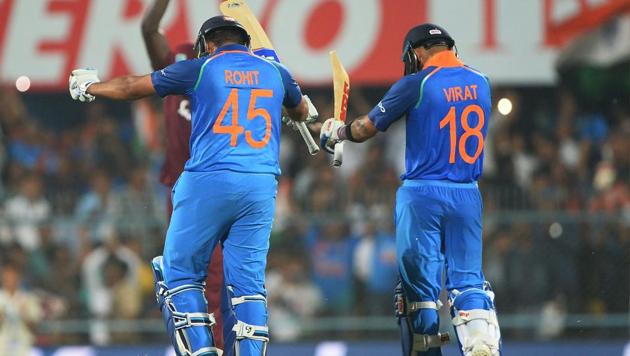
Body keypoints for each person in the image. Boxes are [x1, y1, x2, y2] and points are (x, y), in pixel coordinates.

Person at [69, 15, 316, 356]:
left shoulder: (203, 66)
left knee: (178, 274)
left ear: (207, 44)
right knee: (248, 287)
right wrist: (305, 112)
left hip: (209, 180)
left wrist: (90, 86)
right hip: (260, 186)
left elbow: (131, 87)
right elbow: (302, 111)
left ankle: (201, 352)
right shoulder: (276, 72)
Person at [320, 24, 502, 356]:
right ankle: (479, 340)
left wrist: (337, 132)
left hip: (423, 195)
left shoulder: (416, 83)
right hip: (468, 193)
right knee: (468, 283)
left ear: (416, 52)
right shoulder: (482, 81)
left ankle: (431, 350)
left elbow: (366, 128)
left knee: (419, 294)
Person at [142, 1, 227, 349]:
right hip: (179, 187)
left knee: (218, 277)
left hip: (218, 185)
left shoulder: (235, 70)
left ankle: (217, 346)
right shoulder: (179, 59)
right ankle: (192, 345)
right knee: (181, 275)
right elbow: (149, 30)